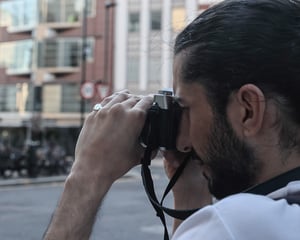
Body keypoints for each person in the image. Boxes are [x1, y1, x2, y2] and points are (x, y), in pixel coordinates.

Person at [43, 0, 300, 239]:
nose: (184, 142)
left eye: (185, 108)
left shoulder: (239, 224)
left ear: (248, 110)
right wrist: (190, 195)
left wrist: (86, 174)